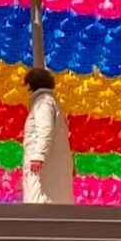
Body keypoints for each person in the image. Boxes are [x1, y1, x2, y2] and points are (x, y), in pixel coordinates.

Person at [22, 68, 74, 204]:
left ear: (30, 85)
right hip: (54, 162)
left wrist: (38, 155)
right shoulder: (52, 102)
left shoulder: (43, 102)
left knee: (40, 200)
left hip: (45, 165)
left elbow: (45, 129)